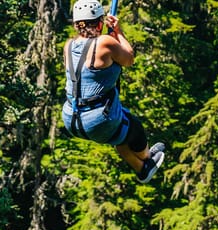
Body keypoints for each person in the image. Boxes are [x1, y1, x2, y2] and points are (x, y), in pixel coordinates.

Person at [62, 0, 164, 183]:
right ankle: (147, 160)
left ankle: (143, 167)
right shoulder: (105, 42)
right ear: (99, 22)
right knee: (134, 127)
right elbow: (129, 58)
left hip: (71, 118)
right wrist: (118, 31)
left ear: (77, 24)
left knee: (121, 130)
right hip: (97, 120)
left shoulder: (68, 45)